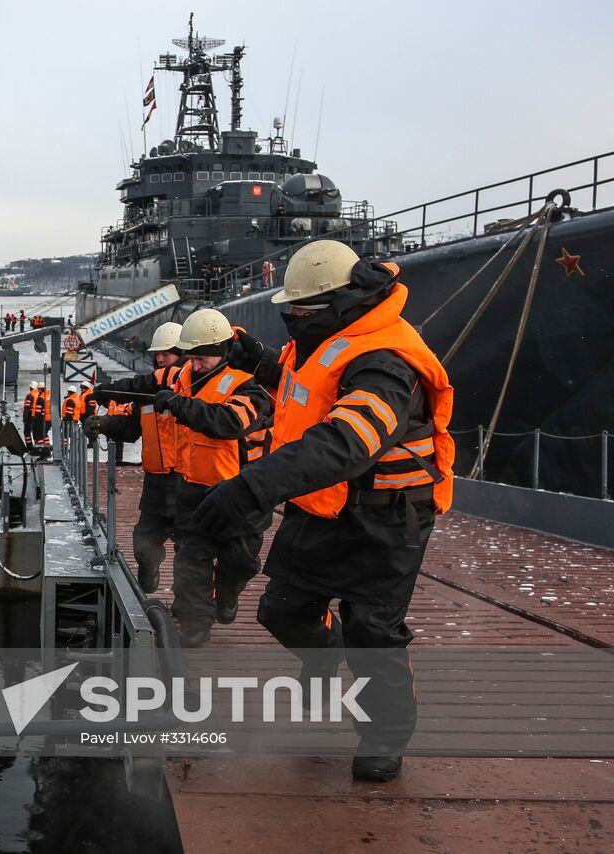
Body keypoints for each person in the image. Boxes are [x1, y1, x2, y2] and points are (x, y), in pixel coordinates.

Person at [194, 240, 454, 782]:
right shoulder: (327, 337)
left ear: (343, 303)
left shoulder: (386, 361)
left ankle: (384, 733)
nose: (292, 319)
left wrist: (250, 487)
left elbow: (348, 440)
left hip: (386, 519)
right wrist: (255, 359)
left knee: (373, 632)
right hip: (321, 507)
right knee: (281, 612)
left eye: (300, 310)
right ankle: (324, 648)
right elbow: (304, 389)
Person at [153, 308, 272, 646]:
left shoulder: (248, 386)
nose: (196, 363)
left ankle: (227, 594)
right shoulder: (184, 378)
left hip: (240, 494)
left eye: (203, 357)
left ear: (222, 352)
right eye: (191, 356)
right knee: (190, 565)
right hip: (193, 490)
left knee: (242, 562)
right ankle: (194, 626)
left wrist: (179, 406)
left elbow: (230, 422)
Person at [85, 322, 186, 593]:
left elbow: (155, 383)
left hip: (187, 481)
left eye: (168, 354)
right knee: (144, 541)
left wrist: (112, 389)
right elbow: (130, 429)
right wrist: (106, 424)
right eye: (159, 355)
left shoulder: (188, 387)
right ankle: (149, 576)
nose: (162, 360)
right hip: (155, 480)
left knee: (189, 550)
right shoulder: (146, 397)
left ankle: (187, 604)